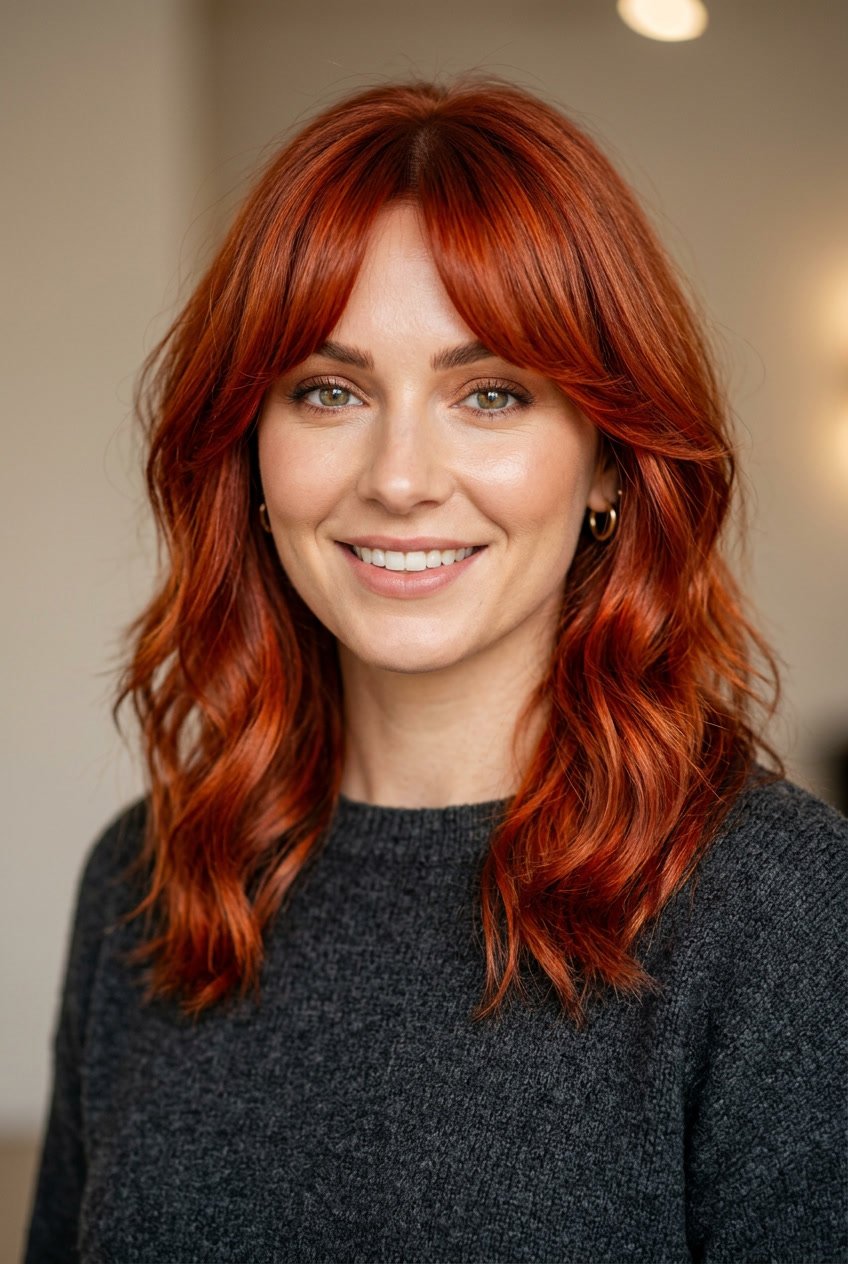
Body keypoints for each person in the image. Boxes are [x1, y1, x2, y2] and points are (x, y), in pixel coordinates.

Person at [25, 77, 846, 1263]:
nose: (399, 475)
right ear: (250, 455)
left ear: (610, 462)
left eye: (490, 393)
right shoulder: (145, 884)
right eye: (328, 390)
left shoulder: (781, 911)